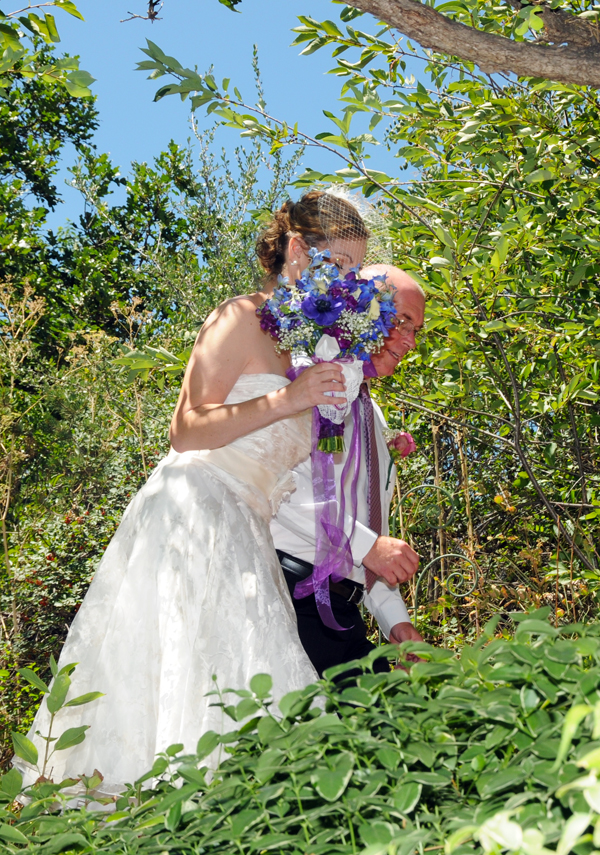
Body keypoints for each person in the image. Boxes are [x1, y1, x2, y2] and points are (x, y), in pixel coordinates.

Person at [15, 191, 369, 795]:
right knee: (181, 675)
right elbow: (186, 430)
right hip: (195, 505)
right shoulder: (237, 317)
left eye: (353, 270)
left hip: (247, 526)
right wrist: (290, 399)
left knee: (235, 680)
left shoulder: (314, 347)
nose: (345, 280)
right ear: (294, 250)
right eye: (335, 263)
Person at [271, 264, 426, 677]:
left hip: (341, 613)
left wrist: (396, 622)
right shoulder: (306, 381)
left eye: (417, 330)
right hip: (289, 602)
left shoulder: (371, 412)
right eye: (404, 321)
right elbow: (276, 490)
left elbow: (370, 524)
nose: (411, 341)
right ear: (365, 311)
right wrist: (368, 546)